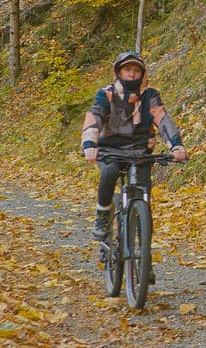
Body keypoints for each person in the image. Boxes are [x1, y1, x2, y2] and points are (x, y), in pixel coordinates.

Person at [81, 51, 190, 240]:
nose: (132, 74)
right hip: (110, 151)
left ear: (142, 74)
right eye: (127, 70)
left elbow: (162, 119)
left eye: (136, 70)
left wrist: (176, 145)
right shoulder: (106, 95)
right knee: (109, 173)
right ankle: (103, 215)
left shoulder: (149, 95)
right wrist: (89, 144)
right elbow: (95, 118)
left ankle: (144, 251)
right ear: (118, 72)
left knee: (144, 195)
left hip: (140, 152)